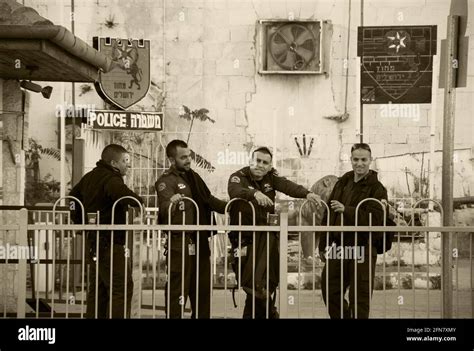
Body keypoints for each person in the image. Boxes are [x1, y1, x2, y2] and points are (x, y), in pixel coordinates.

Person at [227, 146, 321, 319]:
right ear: (250, 161)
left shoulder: (271, 177)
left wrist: (307, 194)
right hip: (244, 238)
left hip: (267, 237)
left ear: (270, 166)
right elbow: (234, 192)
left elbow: (287, 185)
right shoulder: (238, 176)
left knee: (263, 282)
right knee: (251, 282)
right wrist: (253, 193)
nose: (260, 165)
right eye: (257, 161)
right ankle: (272, 314)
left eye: (265, 162)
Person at [69, 144, 143, 318]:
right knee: (121, 286)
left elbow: (72, 198)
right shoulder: (111, 178)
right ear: (114, 163)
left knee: (99, 288)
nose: (128, 165)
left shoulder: (89, 177)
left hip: (94, 242)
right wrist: (139, 201)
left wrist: (80, 223)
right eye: (125, 161)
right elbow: (122, 194)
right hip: (111, 242)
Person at [155, 139, 227, 319]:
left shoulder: (194, 177)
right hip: (180, 243)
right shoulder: (165, 181)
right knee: (178, 289)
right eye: (183, 157)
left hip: (200, 241)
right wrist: (171, 203)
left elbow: (208, 199)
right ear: (172, 160)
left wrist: (232, 207)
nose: (188, 160)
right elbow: (164, 207)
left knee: (202, 289)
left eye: (189, 156)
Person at [318, 143, 389, 319]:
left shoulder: (377, 188)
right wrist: (323, 244)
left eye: (364, 159)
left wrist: (347, 210)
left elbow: (375, 220)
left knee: (360, 297)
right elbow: (328, 213)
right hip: (339, 246)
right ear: (350, 160)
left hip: (362, 247)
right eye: (356, 159)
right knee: (330, 289)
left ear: (370, 160)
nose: (360, 163)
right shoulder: (343, 182)